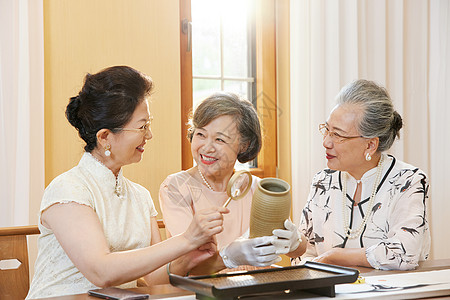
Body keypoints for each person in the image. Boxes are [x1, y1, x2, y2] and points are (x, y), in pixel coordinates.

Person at [27, 66, 228, 299]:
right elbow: (101, 272)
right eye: (142, 126)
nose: (149, 135)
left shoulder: (140, 195)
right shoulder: (69, 189)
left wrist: (187, 258)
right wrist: (186, 239)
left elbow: (153, 278)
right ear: (105, 137)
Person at [291, 79, 430, 270]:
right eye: (326, 130)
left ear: (370, 145)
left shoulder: (408, 180)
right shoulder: (323, 181)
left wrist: (335, 256)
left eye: (337, 135)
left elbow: (403, 253)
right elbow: (305, 253)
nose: (326, 142)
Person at [159, 92, 304, 272]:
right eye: (201, 134)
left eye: (220, 139)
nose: (207, 147)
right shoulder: (176, 187)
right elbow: (188, 267)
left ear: (244, 145)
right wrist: (229, 257)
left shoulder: (258, 189)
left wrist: (294, 241)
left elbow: (297, 249)